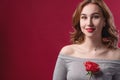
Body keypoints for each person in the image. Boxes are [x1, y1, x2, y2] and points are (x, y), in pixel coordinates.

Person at [53, 0, 120, 80]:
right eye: (84, 17)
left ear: (104, 21)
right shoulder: (67, 52)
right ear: (79, 21)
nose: (89, 23)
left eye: (95, 17)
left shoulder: (117, 55)